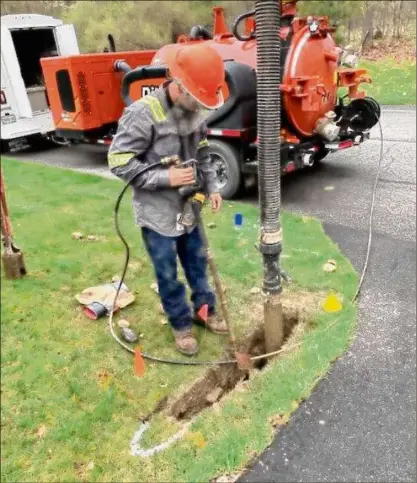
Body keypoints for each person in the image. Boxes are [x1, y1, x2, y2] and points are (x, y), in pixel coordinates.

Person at [108, 43, 228, 356]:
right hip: (157, 214)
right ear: (180, 86)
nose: (201, 107)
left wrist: (212, 187)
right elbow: (118, 160)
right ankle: (181, 325)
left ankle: (204, 312)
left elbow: (202, 150)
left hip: (190, 207)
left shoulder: (194, 110)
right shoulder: (142, 114)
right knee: (167, 273)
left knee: (198, 264)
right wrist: (166, 178)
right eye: (198, 99)